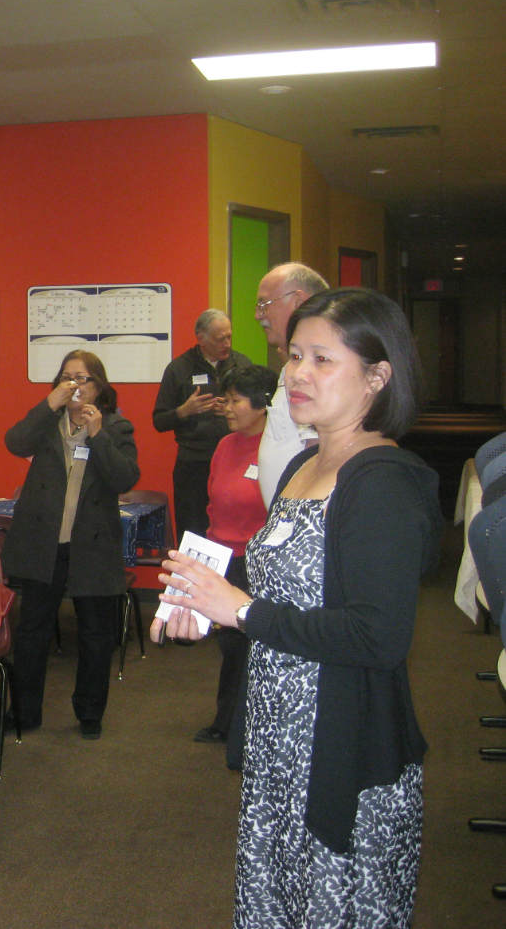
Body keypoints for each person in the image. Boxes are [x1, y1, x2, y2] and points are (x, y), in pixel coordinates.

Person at [155, 288, 442, 927]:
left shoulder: (383, 484)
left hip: (341, 745)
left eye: (322, 359)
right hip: (279, 739)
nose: (298, 374)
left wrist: (242, 612)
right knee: (275, 903)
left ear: (377, 377)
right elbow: (285, 593)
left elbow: (378, 636)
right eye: (294, 356)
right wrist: (207, 601)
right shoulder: (304, 465)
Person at [0, 350, 140, 738]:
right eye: (66, 377)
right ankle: (23, 713)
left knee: (95, 635)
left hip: (92, 547)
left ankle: (90, 714)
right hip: (44, 544)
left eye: (82, 378)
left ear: (99, 386)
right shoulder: (47, 421)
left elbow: (124, 478)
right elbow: (15, 442)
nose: (74, 385)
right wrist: (48, 405)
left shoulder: (116, 426)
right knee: (32, 632)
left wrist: (98, 435)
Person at [185, 364, 277, 745]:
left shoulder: (276, 450)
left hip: (256, 562)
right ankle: (227, 721)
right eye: (226, 400)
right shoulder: (225, 446)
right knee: (230, 648)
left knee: (247, 648)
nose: (227, 408)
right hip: (222, 558)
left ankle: (241, 725)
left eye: (236, 401)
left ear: (262, 405)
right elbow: (214, 503)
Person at [152, 309, 251, 539]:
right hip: (193, 465)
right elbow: (159, 420)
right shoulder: (179, 369)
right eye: (220, 339)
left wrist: (231, 410)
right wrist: (184, 411)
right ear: (201, 338)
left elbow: (260, 410)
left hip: (235, 460)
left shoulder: (242, 365)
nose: (227, 344)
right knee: (193, 532)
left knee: (233, 530)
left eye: (229, 337)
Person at [254, 262, 330, 507]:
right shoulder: (292, 368)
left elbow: (317, 454)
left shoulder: (320, 372)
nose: (258, 315)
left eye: (265, 304)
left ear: (298, 302)